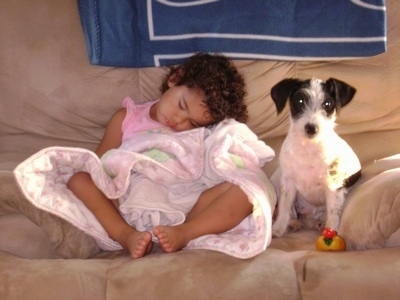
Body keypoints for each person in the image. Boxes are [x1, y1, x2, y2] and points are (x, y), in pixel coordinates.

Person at [67, 52, 252, 259]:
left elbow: (220, 163)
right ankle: (126, 235)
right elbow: (98, 164)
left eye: (193, 123)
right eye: (182, 106)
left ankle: (186, 233)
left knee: (248, 190)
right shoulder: (127, 118)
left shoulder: (201, 136)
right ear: (175, 79)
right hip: (128, 204)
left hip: (184, 207)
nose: (179, 120)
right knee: (79, 179)